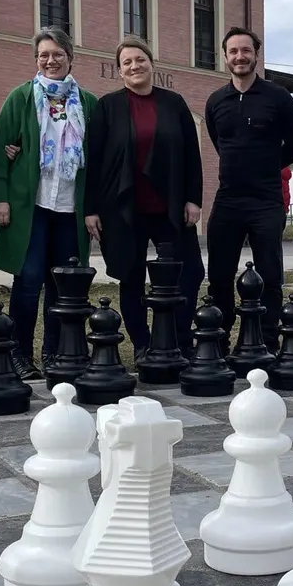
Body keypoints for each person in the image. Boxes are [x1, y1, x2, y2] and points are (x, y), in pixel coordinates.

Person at [83, 36, 205, 357]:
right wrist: (90, 209)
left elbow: (192, 154)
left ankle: (178, 339)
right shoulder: (107, 107)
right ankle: (143, 343)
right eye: (127, 63)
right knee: (131, 276)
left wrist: (194, 199)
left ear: (152, 64)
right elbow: (93, 161)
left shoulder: (174, 103)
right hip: (124, 210)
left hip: (171, 209)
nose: (134, 66)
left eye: (140, 59)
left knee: (189, 272)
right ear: (120, 71)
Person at [0, 27, 98, 380]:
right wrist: (1, 198)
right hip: (30, 207)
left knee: (62, 283)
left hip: (71, 208)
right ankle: (20, 353)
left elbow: (99, 160)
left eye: (57, 55)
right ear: (36, 60)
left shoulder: (89, 103)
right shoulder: (20, 98)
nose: (50, 61)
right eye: (43, 55)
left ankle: (55, 352)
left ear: (71, 57)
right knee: (29, 278)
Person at [203, 27, 293, 334]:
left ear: (256, 55)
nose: (240, 57)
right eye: (233, 51)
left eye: (246, 51)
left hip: (266, 199)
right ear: (225, 57)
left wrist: (264, 166)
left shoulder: (279, 97)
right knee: (219, 273)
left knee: (270, 274)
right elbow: (220, 143)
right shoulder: (216, 101)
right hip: (229, 198)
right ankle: (219, 338)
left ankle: (266, 337)